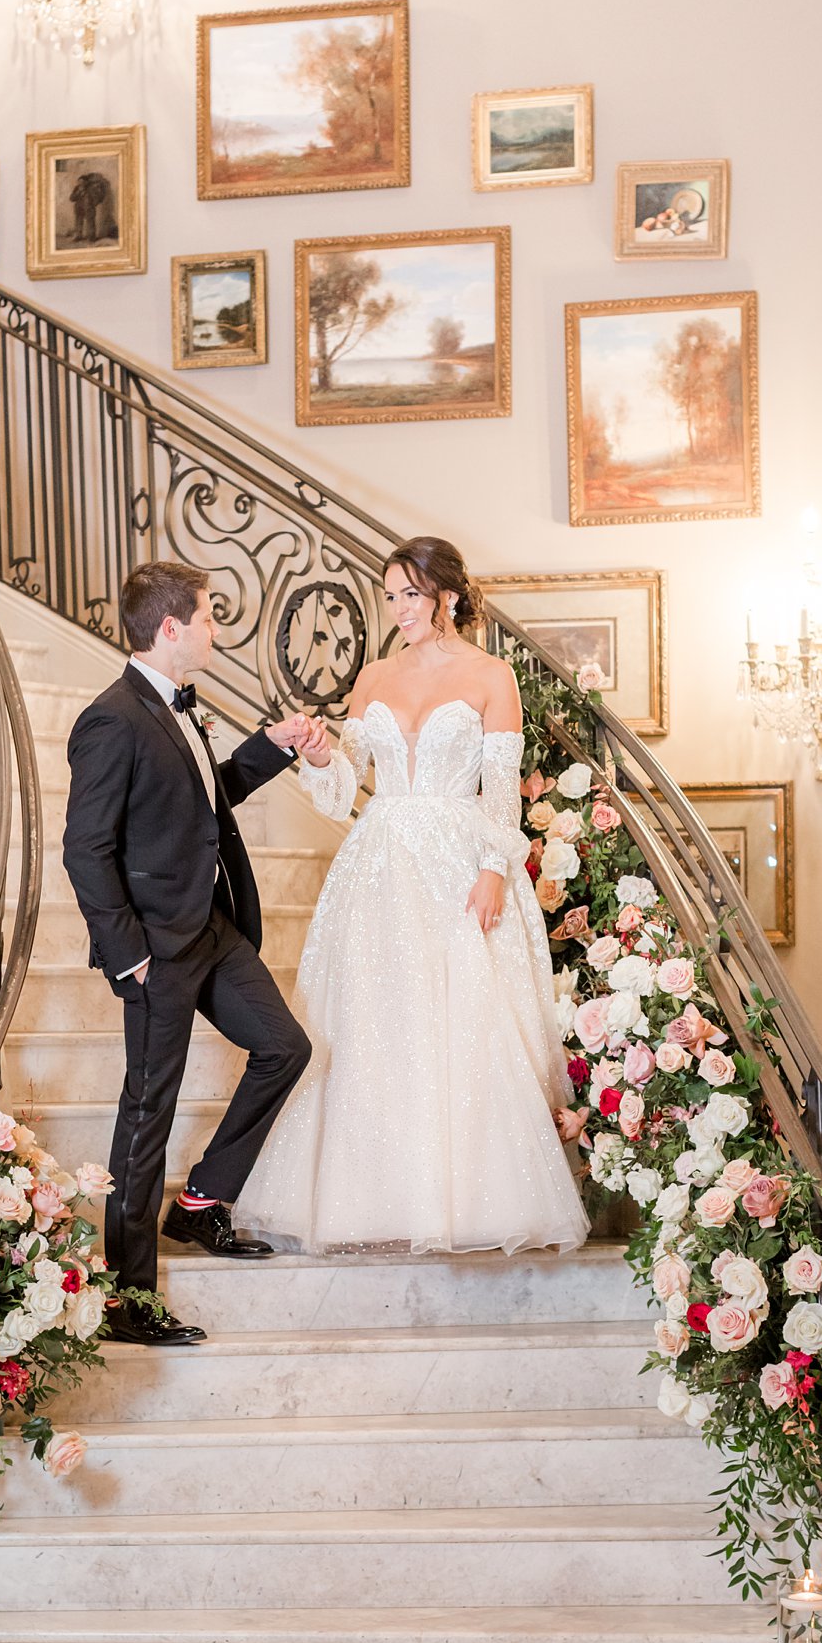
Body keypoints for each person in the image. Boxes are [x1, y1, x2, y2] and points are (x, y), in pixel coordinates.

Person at [235, 536, 589, 1256]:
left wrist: (494, 869)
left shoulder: (493, 677)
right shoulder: (371, 677)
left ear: (447, 597)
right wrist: (322, 754)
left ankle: (465, 1199)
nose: (398, 609)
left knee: (461, 1018)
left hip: (461, 861)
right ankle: (372, 1197)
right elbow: (343, 794)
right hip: (380, 863)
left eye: (411, 595)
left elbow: (501, 795)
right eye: (390, 595)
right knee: (377, 1020)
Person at [62, 561, 317, 1344]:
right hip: (156, 951)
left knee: (285, 1046)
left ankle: (202, 1201)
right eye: (208, 617)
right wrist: (127, 953)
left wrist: (270, 749)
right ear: (171, 629)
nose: (215, 629)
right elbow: (84, 848)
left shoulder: (177, 709)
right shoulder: (112, 718)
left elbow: (206, 799)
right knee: (147, 1116)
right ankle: (128, 1302)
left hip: (211, 929)